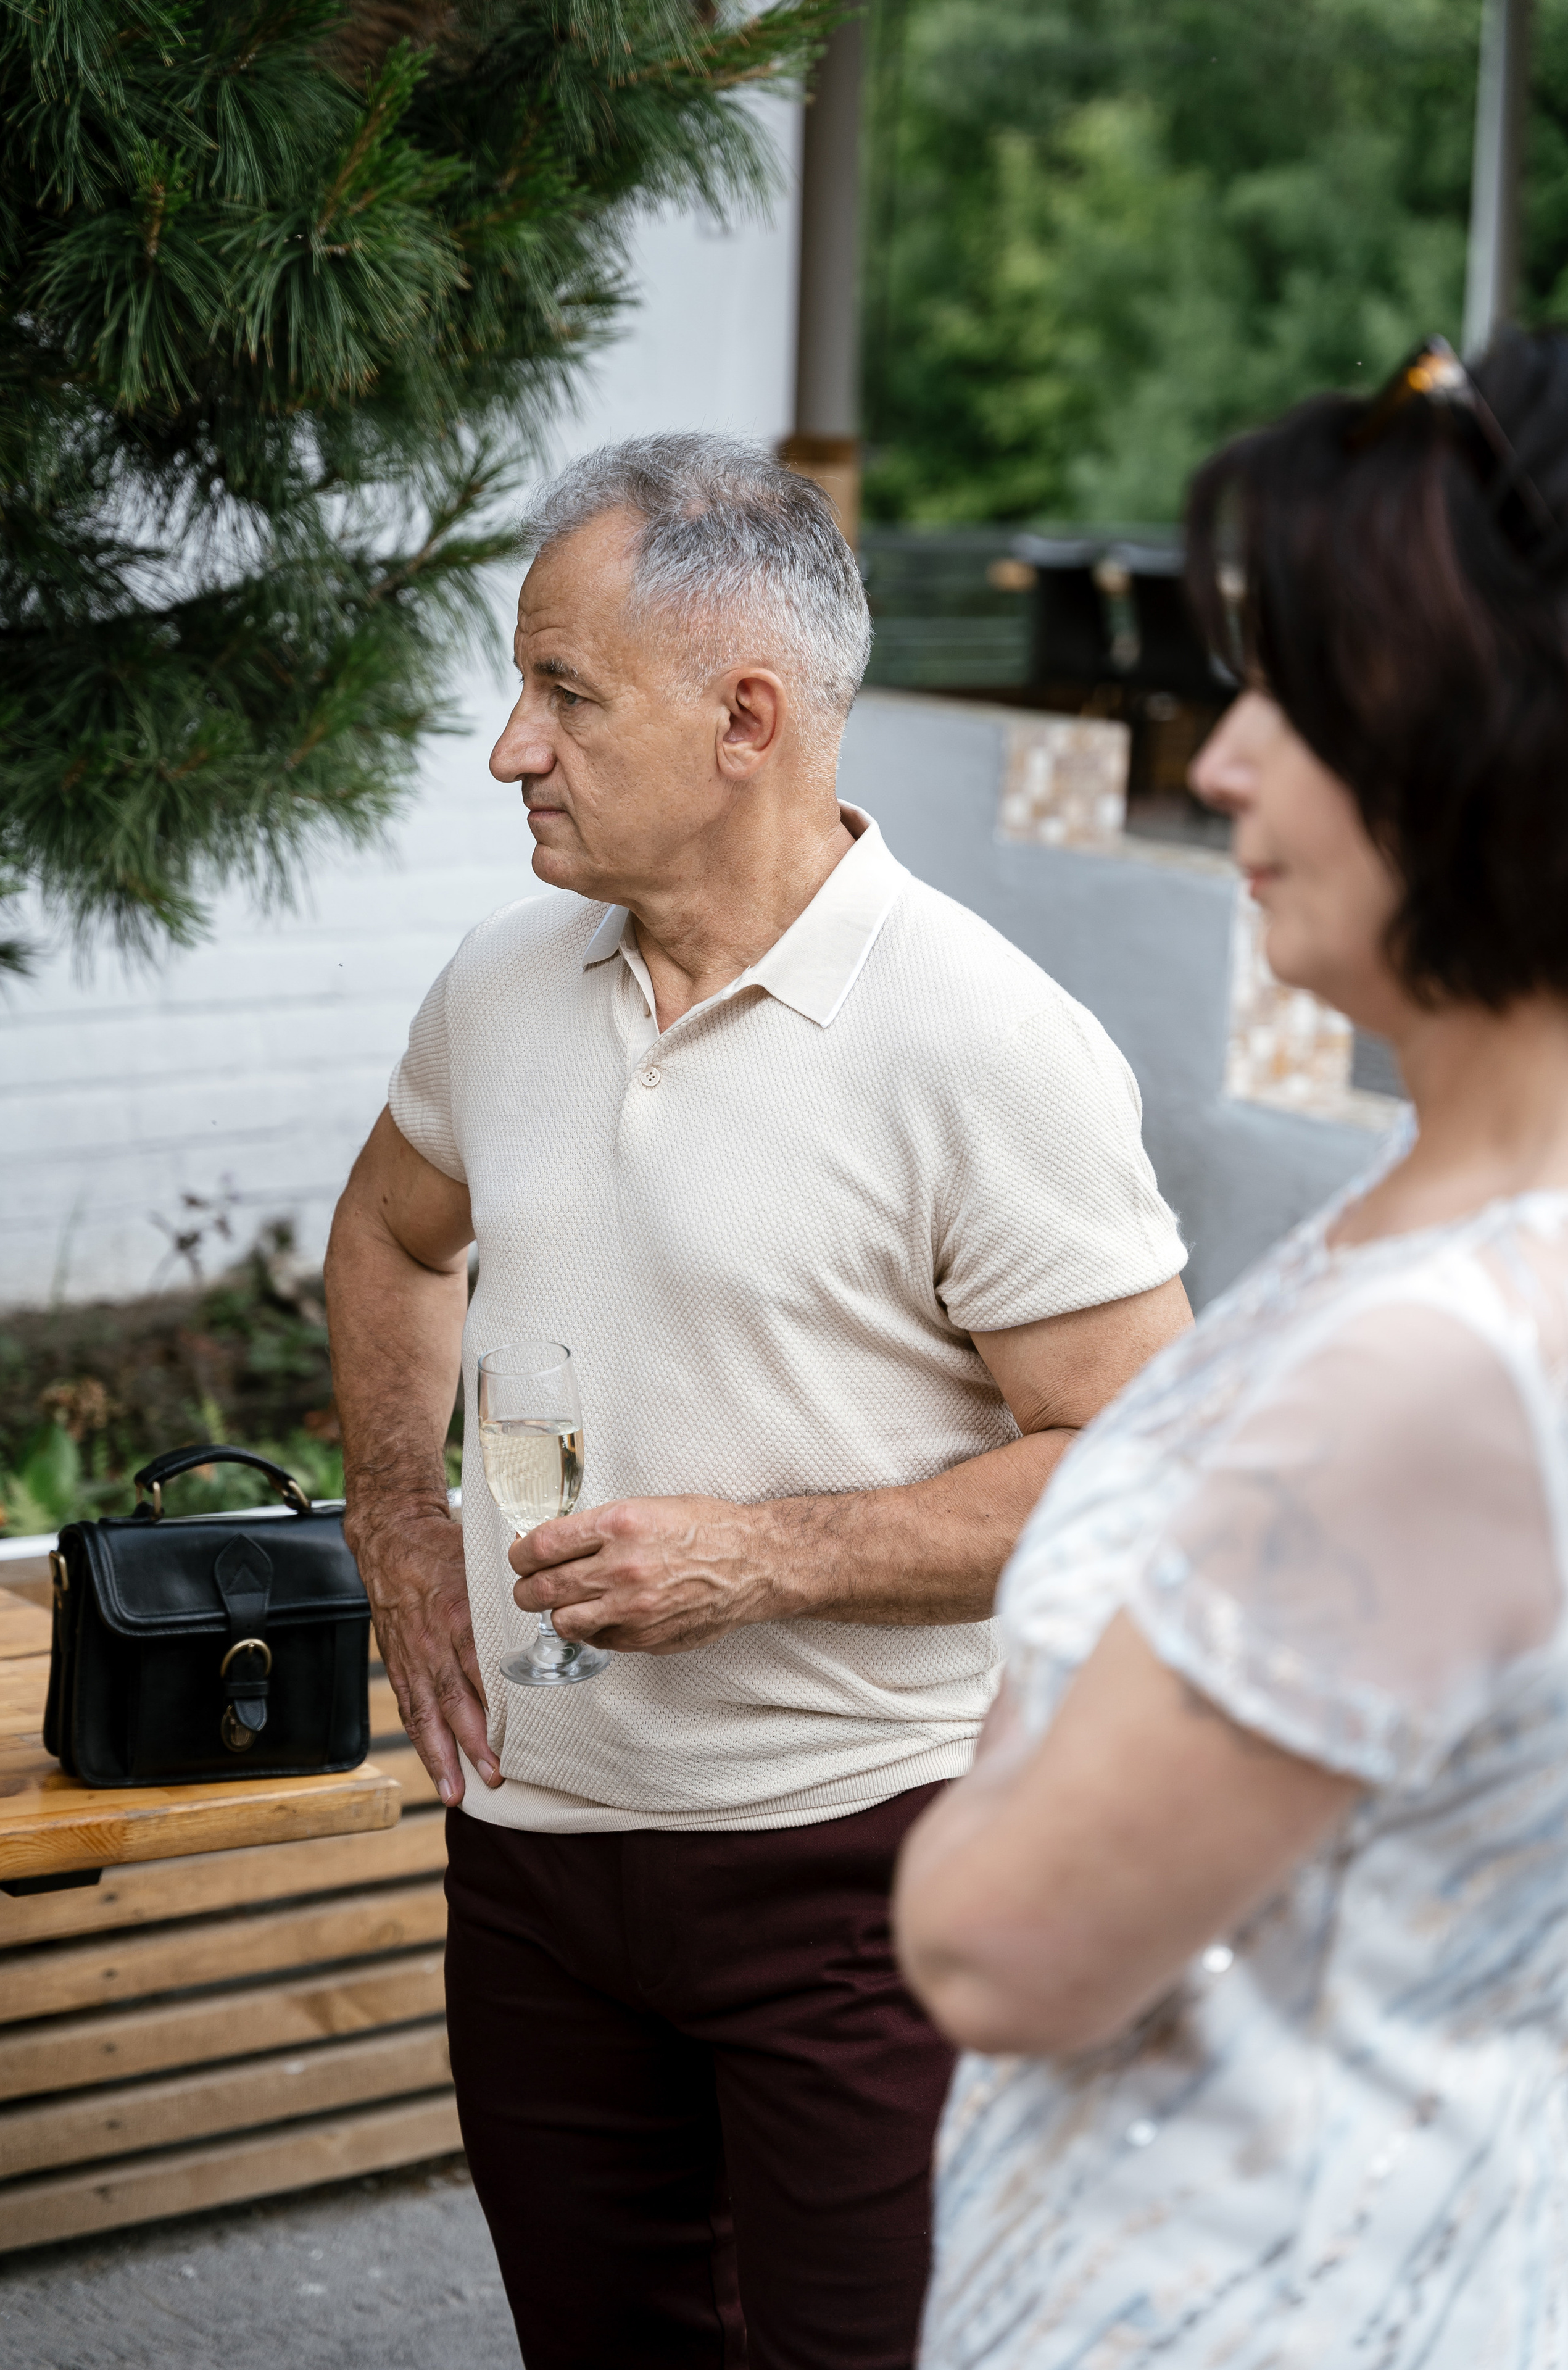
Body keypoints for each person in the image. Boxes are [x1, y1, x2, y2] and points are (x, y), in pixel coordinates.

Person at [323, 433, 1191, 2369]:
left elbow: (1142, 1463)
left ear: (747, 716)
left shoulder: (989, 1040)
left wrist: (761, 1560)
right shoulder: (500, 986)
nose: (508, 749)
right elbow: (390, 1239)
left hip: (863, 1878)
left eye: (561, 693)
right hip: (535, 1863)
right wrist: (396, 1518)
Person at [895, 329, 1568, 2370]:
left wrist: (966, 1795)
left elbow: (997, 1946)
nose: (1219, 763)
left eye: (1296, 693)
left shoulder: (1445, 1360)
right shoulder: (1450, 1237)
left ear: (1485, 736)